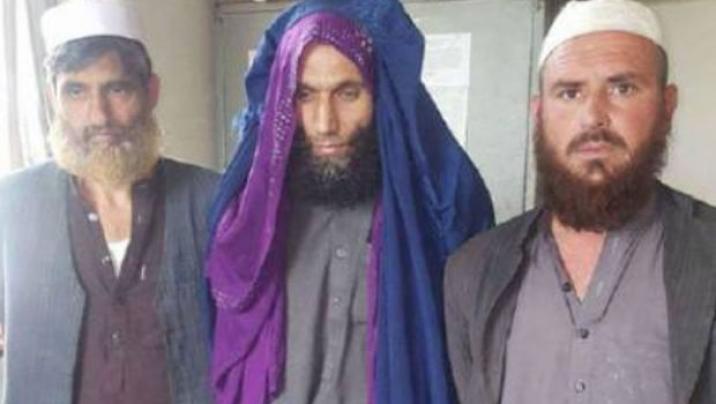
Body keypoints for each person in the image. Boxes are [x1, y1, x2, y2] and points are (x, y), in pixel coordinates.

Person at [205, 0, 494, 403]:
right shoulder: (244, 218)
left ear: (382, 95)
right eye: (304, 95)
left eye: (348, 93)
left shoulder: (442, 209)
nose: (325, 123)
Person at [444, 0, 716, 403]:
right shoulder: (472, 271)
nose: (592, 117)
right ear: (539, 112)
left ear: (667, 105)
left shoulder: (707, 249)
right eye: (569, 93)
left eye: (622, 88)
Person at [0, 1, 217, 403]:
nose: (99, 116)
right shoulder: (12, 205)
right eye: (76, 91)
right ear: (52, 98)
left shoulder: (209, 200)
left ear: (151, 91)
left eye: (117, 89)